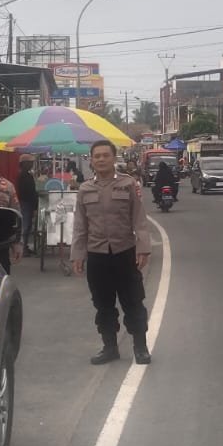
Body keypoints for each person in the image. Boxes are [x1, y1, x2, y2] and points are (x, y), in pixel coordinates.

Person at [72, 139, 153, 365]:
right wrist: (78, 254)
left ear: (113, 158)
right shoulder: (85, 189)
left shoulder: (128, 184)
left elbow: (139, 218)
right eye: (97, 156)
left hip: (124, 252)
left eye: (105, 155)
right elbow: (80, 225)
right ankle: (110, 348)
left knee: (133, 301)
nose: (101, 159)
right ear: (91, 160)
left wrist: (143, 248)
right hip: (97, 255)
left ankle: (140, 347)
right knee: (103, 305)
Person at [15, 155, 40, 255]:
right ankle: (22, 248)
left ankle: (25, 246)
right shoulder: (23, 176)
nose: (31, 164)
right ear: (24, 164)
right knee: (25, 226)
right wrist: (34, 200)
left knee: (28, 225)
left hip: (28, 203)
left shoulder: (27, 175)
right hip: (25, 203)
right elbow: (28, 191)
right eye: (30, 162)